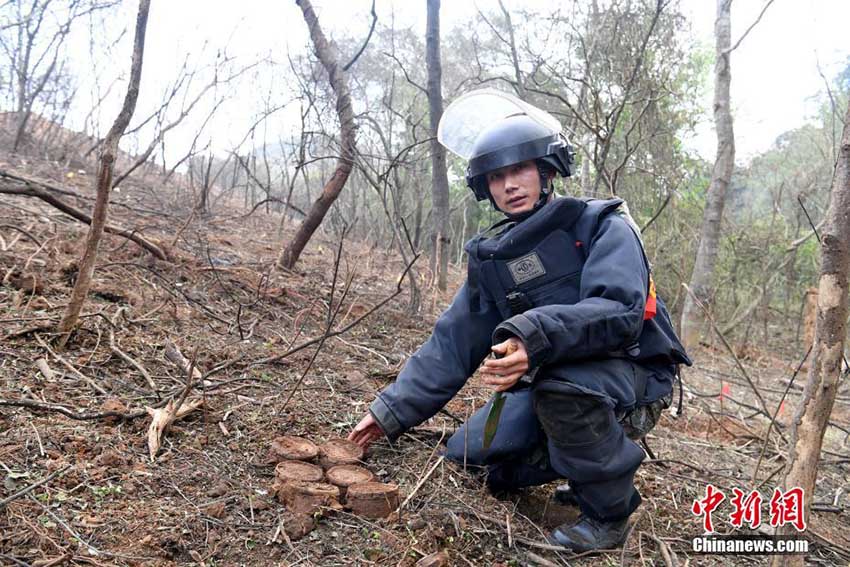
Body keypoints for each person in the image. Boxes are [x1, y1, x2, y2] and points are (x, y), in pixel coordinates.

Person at [348, 91, 691, 552]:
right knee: (470, 456)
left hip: (633, 372)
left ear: (547, 170)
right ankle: (579, 466)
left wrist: (533, 338)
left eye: (520, 170)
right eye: (496, 176)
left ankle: (607, 516)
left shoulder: (602, 225)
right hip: (553, 381)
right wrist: (388, 413)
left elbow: (619, 311)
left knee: (565, 391)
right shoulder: (494, 259)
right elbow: (451, 345)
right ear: (485, 187)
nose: (509, 185)